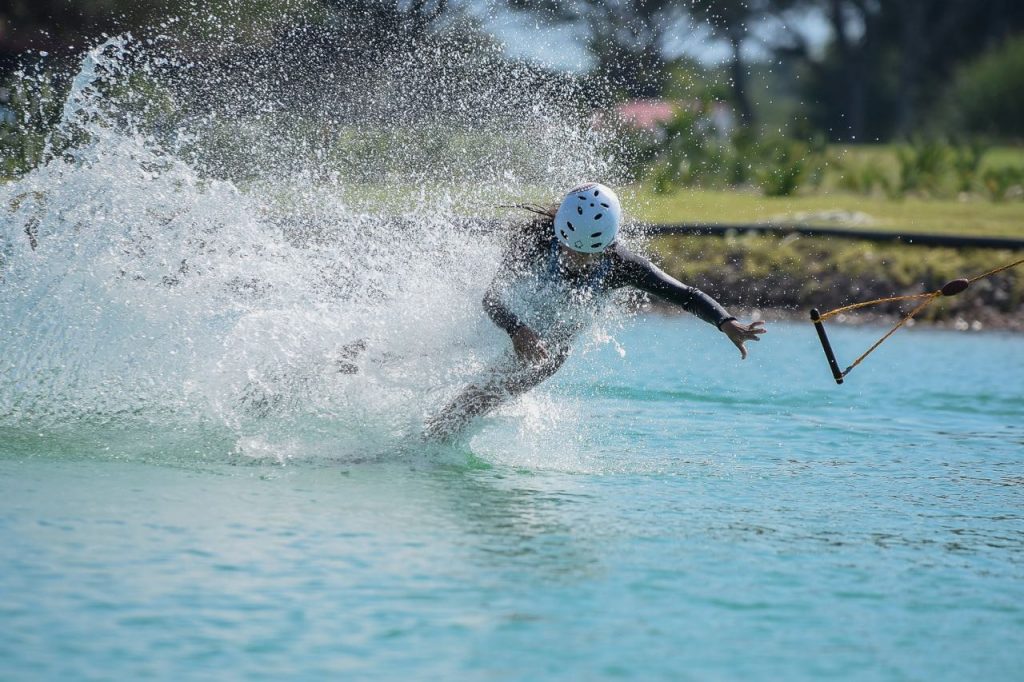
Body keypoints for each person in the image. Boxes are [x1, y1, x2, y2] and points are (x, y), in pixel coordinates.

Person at [424, 182, 766, 440]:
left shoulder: (624, 266)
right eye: (571, 250)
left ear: (607, 246)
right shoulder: (535, 241)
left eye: (588, 255)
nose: (577, 260)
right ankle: (382, 364)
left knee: (480, 400)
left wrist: (725, 321)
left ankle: (430, 441)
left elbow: (686, 295)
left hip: (548, 351)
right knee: (438, 348)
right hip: (514, 319)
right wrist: (517, 329)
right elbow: (491, 299)